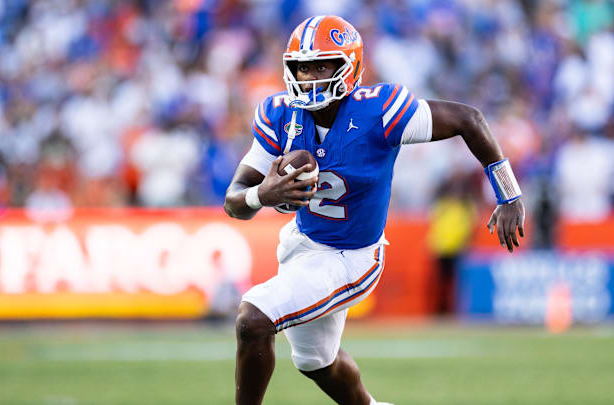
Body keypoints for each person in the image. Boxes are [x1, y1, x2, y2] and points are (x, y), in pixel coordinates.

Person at [224, 15, 525, 405]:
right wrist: (262, 195)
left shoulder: (379, 110)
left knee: (254, 319)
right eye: (303, 66)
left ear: (348, 66)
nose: (310, 75)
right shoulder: (278, 114)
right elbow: (235, 201)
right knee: (316, 362)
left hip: (352, 256)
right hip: (302, 245)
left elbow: (470, 119)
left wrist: (509, 195)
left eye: (322, 65)